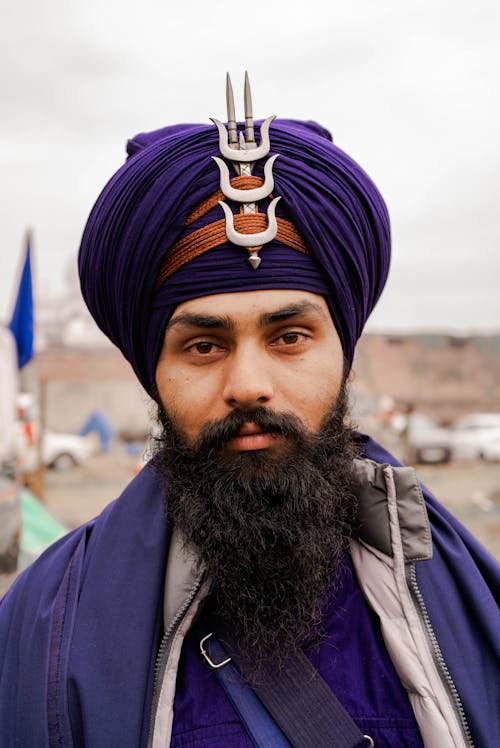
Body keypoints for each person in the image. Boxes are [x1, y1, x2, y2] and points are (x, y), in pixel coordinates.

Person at [0, 74, 498, 748]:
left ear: (344, 354)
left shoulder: (469, 594)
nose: (249, 385)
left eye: (289, 337)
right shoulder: (40, 629)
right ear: (154, 371)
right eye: (203, 345)